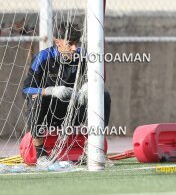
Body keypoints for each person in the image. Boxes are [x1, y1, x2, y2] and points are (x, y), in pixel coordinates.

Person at [22, 22, 111, 165]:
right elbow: (26, 90)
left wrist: (90, 86)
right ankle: (41, 154)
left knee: (103, 95)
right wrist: (51, 91)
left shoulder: (84, 55)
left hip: (74, 109)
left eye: (77, 43)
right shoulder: (43, 58)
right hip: (50, 113)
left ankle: (94, 149)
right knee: (36, 99)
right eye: (70, 44)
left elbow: (98, 79)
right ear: (58, 42)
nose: (74, 48)